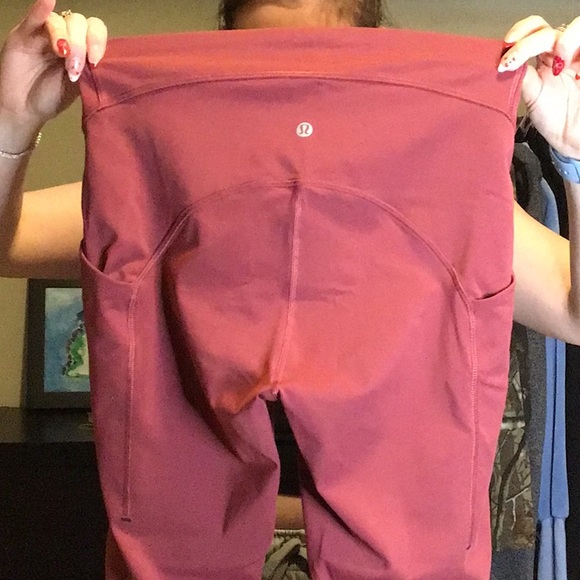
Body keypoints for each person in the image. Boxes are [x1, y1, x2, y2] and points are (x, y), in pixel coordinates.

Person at [1, 0, 579, 578]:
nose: (295, 111)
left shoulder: (439, 189)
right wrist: (11, 120)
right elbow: (9, 240)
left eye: (326, 74)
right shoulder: (164, 181)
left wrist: (574, 155)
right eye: (258, 77)